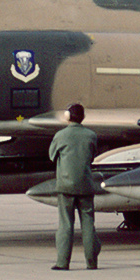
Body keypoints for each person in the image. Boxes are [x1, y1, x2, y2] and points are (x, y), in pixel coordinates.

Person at [48, 103, 100, 270]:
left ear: (67, 116)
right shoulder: (91, 135)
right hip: (86, 185)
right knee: (88, 224)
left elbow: (52, 156)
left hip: (65, 187)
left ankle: (63, 263)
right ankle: (91, 262)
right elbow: (92, 157)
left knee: (66, 224)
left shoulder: (60, 135)